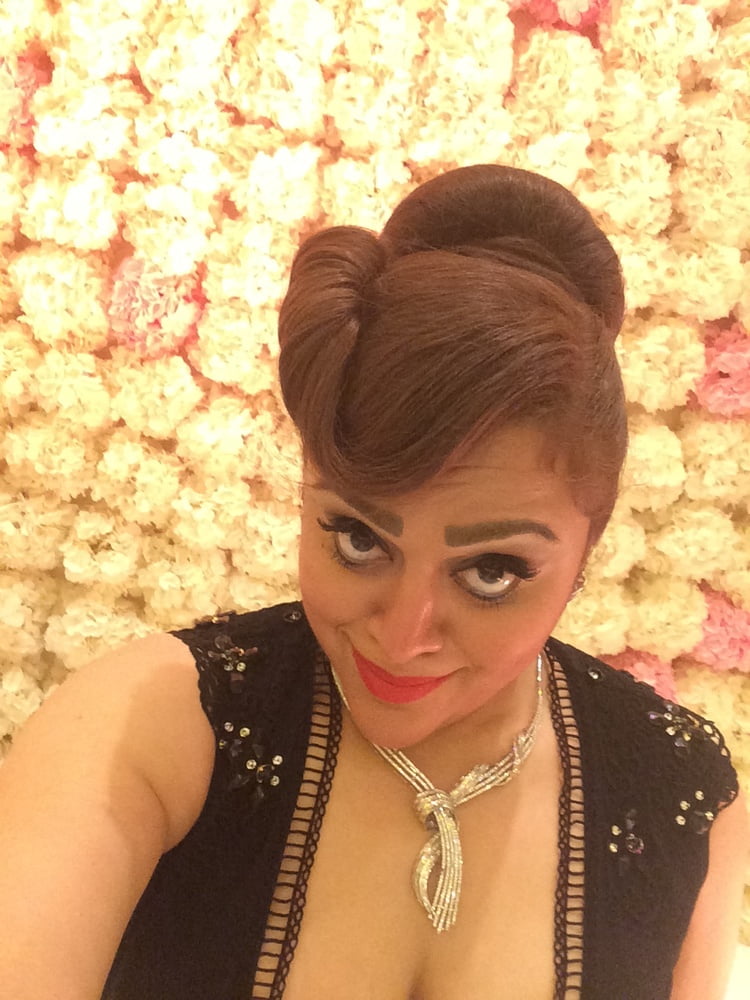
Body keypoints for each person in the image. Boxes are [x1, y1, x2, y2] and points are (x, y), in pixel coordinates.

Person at [1, 164, 746, 1000]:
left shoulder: (685, 796)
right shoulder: (150, 729)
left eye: (491, 572)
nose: (402, 633)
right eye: (358, 540)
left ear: (585, 554)